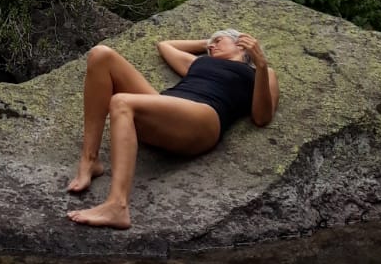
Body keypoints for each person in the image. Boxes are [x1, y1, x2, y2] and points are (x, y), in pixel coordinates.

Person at [65, 29, 279, 230]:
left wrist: (260, 63)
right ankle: (90, 160)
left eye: (218, 41)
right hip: (167, 109)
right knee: (100, 54)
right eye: (211, 43)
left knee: (121, 102)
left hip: (204, 117)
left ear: (241, 44)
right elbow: (165, 45)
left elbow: (262, 117)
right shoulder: (200, 62)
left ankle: (117, 206)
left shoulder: (261, 72)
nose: (211, 46)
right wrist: (206, 43)